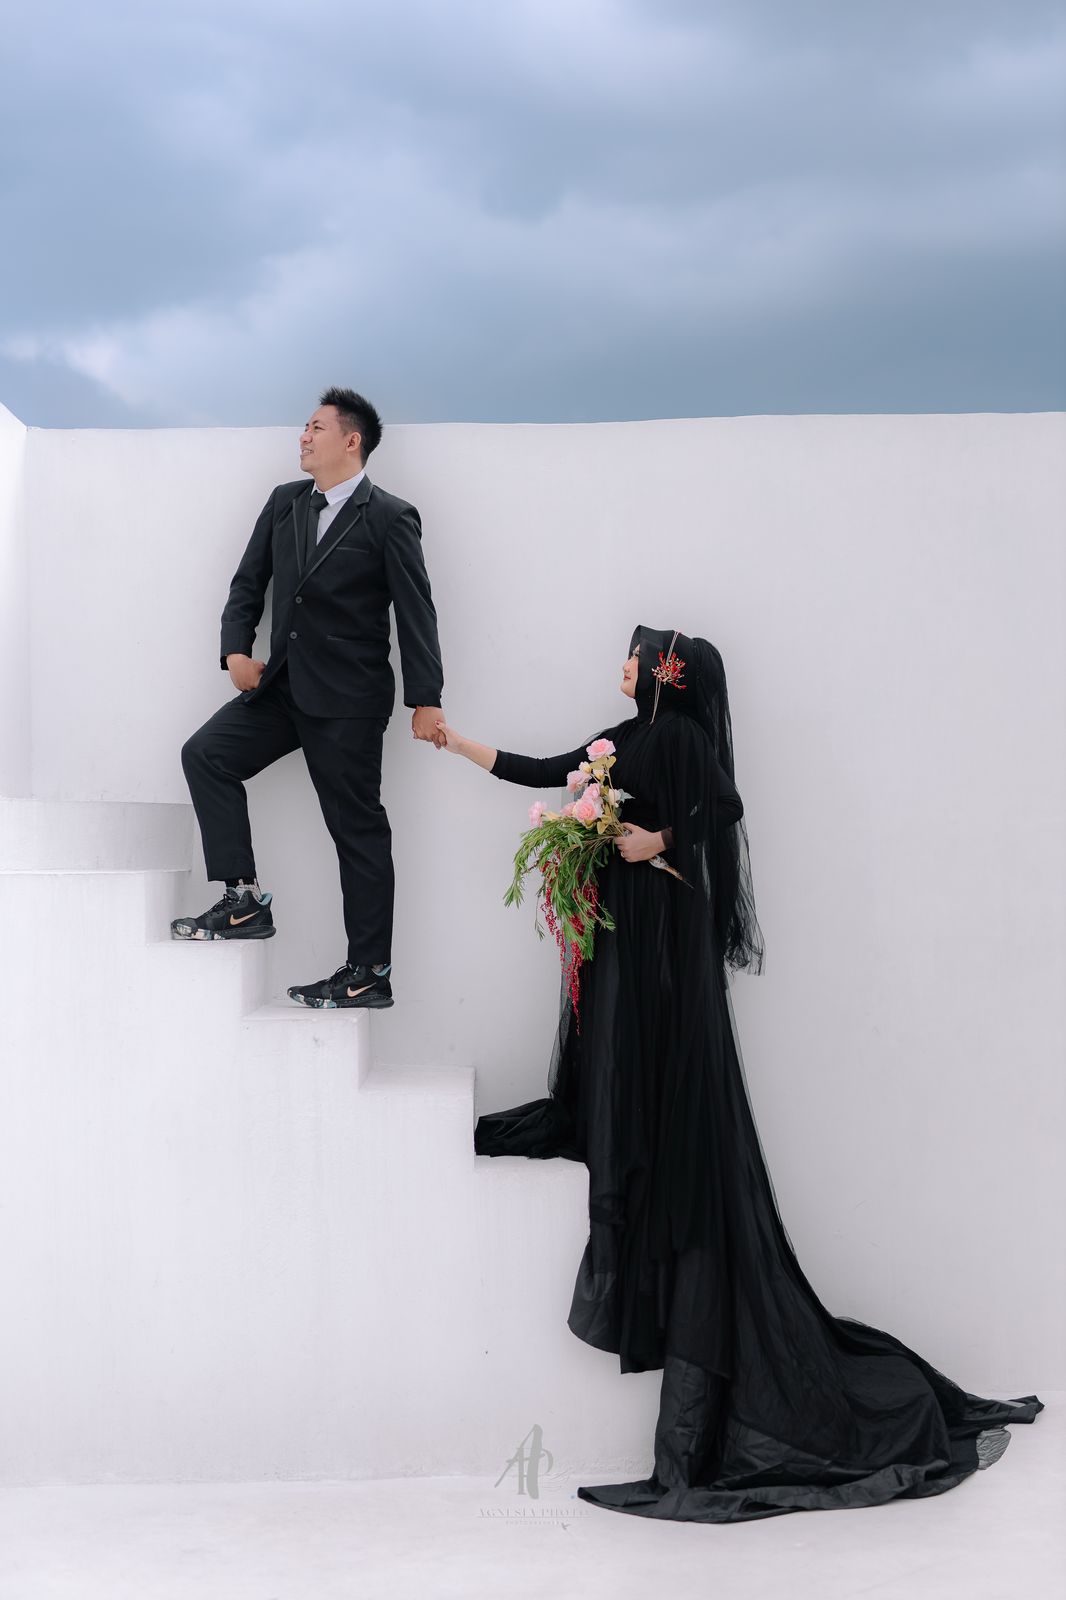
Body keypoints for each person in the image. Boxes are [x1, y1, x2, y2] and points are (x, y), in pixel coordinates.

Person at [434, 623, 1042, 1522]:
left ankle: (707, 1441)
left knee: (670, 1112)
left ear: (665, 672)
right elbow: (545, 768)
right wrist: (456, 742)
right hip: (632, 947)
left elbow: (725, 806)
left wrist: (654, 840)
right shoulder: (624, 737)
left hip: (663, 953)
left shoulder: (679, 739)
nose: (622, 662)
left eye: (634, 653)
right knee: (622, 1085)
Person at [172, 387, 445, 1010]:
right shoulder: (285, 502)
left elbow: (416, 612)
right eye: (304, 426)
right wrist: (235, 651)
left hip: (349, 701)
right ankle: (243, 900)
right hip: (282, 687)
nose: (303, 436)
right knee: (206, 754)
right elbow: (248, 582)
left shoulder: (390, 516)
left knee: (357, 830)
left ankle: (369, 971)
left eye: (316, 427)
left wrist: (425, 697)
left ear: (351, 440)